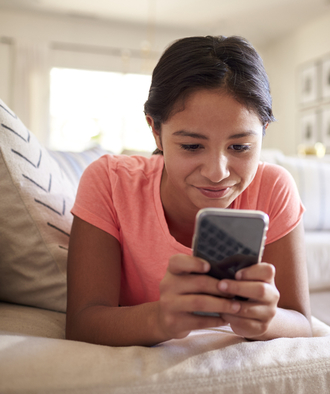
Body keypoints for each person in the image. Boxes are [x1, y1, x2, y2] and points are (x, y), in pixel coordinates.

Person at [66, 35, 312, 347]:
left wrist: (267, 320)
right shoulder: (109, 182)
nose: (217, 172)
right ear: (156, 130)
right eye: (192, 146)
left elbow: (302, 322)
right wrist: (160, 319)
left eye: (240, 146)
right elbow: (81, 324)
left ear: (263, 132)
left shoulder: (275, 187)